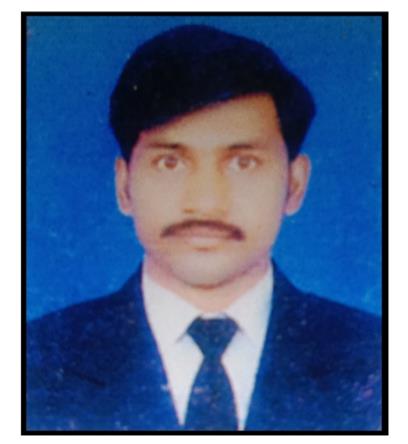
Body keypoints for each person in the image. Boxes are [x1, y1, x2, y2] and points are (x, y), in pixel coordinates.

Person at [26, 24, 381, 432]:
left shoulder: (377, 357)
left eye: (243, 163)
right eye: (170, 163)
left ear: (295, 185)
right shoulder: (33, 363)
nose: (207, 202)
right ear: (124, 186)